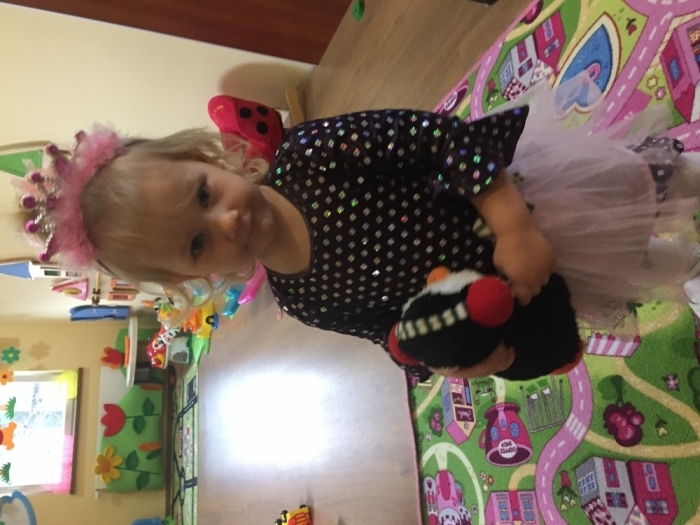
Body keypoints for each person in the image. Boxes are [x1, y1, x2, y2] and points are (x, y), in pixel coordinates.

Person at [16, 76, 700, 381]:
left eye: (203, 193)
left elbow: (440, 137)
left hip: (523, 200)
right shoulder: (304, 301)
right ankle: (688, 266)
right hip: (509, 290)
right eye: (198, 242)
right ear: (189, 275)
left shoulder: (312, 154)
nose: (226, 219)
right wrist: (449, 357)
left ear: (208, 156)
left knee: (639, 188)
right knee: (630, 266)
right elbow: (393, 333)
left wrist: (513, 226)